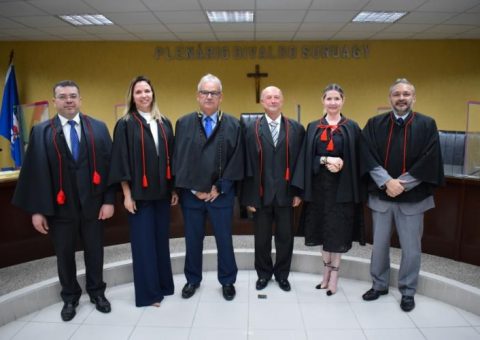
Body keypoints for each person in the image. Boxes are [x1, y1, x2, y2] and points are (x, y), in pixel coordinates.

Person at [12, 80, 114, 321]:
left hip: (94, 205)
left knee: (95, 252)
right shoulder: (41, 132)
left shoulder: (98, 128)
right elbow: (35, 173)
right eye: (63, 96)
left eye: (73, 95)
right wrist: (37, 211)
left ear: (80, 99)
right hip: (60, 209)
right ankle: (69, 297)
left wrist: (109, 200)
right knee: (64, 254)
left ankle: (97, 292)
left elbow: (111, 168)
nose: (69, 100)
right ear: (55, 101)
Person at [361, 78, 444, 312]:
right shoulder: (374, 124)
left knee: (411, 248)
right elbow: (367, 156)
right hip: (381, 197)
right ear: (390, 98)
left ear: (413, 98)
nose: (401, 98)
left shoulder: (427, 125)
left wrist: (401, 184)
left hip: (413, 199)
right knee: (379, 246)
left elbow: (430, 160)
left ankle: (407, 291)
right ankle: (379, 285)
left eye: (406, 94)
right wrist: (386, 182)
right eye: (397, 94)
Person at [173, 74, 244, 301]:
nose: (209, 96)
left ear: (221, 97)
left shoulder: (233, 124)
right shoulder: (183, 123)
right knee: (193, 240)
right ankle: (192, 280)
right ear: (198, 96)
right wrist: (194, 189)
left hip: (220, 196)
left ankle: (227, 281)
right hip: (192, 196)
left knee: (224, 240)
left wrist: (219, 188)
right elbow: (179, 159)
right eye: (205, 92)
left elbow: (238, 160)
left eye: (214, 93)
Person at [108, 76, 177, 307]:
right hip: (139, 195)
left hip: (162, 194)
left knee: (160, 242)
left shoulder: (164, 121)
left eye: (147, 90)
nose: (144, 95)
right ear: (132, 96)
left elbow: (172, 158)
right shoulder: (126, 124)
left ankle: (164, 286)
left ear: (153, 94)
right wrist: (126, 194)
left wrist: (173, 188)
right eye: (139, 92)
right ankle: (149, 295)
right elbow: (121, 161)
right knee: (143, 245)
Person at [293, 83, 364, 296]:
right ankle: (325, 273)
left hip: (342, 190)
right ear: (322, 101)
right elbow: (307, 157)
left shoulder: (352, 127)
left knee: (337, 233)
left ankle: (334, 275)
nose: (333, 103)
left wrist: (343, 163)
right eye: (329, 98)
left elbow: (359, 159)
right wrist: (325, 159)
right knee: (323, 231)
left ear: (343, 101)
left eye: (337, 98)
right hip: (319, 190)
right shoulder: (313, 126)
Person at [241, 86, 305, 292]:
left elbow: (300, 163)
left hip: (286, 194)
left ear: (282, 100)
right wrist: (248, 196)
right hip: (260, 194)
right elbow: (246, 164)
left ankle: (282, 275)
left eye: (277, 96)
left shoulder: (295, 128)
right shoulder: (250, 128)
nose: (273, 100)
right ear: (261, 101)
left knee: (285, 237)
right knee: (261, 239)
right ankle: (263, 274)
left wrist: (298, 191)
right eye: (268, 97)